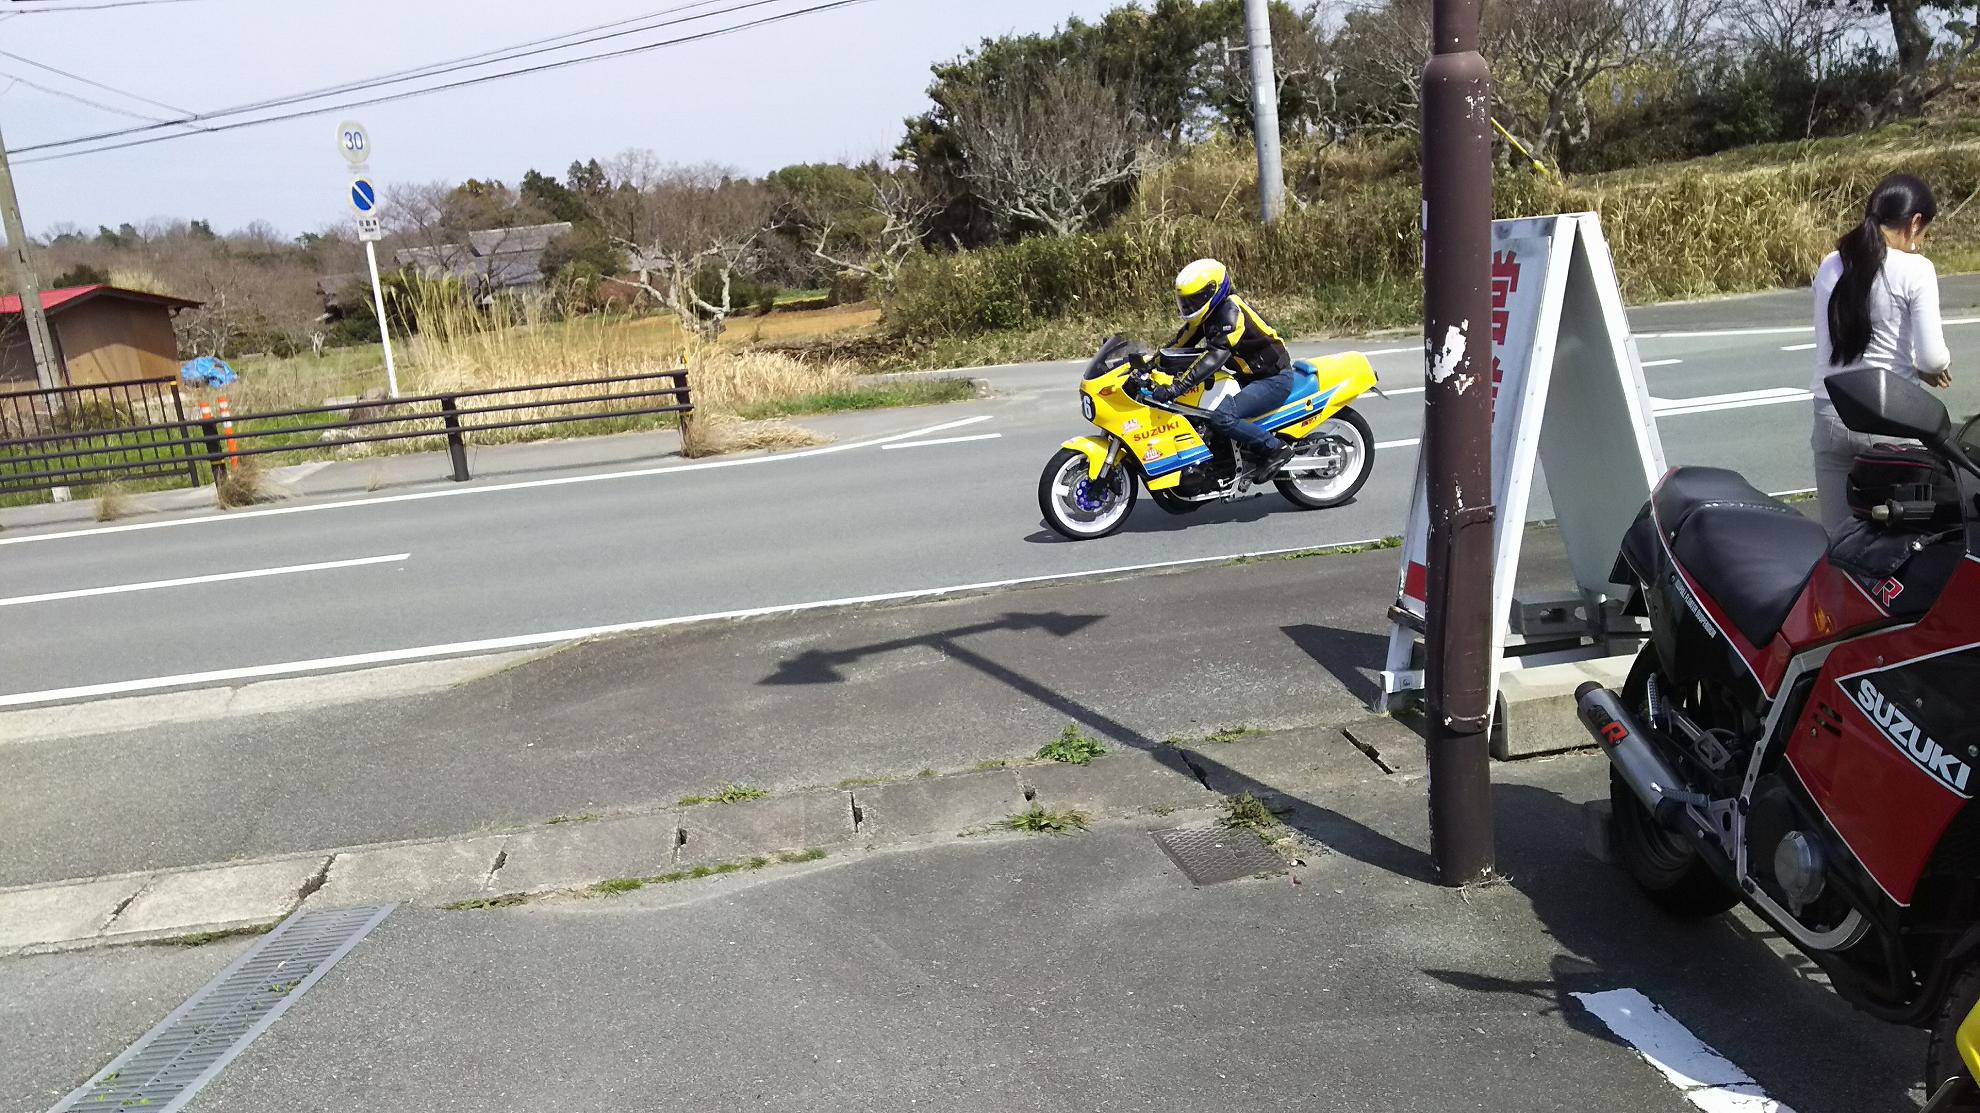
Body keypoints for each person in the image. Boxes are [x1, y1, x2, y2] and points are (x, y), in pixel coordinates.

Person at [1811, 173, 1952, 531]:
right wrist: (1925, 369)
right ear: (1914, 222)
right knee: (1894, 542)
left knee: (1838, 540)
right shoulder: (1917, 270)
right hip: (1889, 418)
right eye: (1924, 232)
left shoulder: (1831, 263)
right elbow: (1934, 358)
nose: (1921, 242)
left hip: (1830, 414)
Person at [1147, 258, 1298, 483]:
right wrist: (1148, 363)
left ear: (1213, 291)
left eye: (1194, 300)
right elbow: (1179, 343)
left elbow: (1215, 356)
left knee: (1222, 417)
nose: (1189, 306)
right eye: (1185, 302)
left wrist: (1176, 388)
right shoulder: (1208, 314)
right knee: (1200, 411)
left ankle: (1276, 449)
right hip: (1248, 377)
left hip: (1273, 379)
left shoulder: (1230, 312)